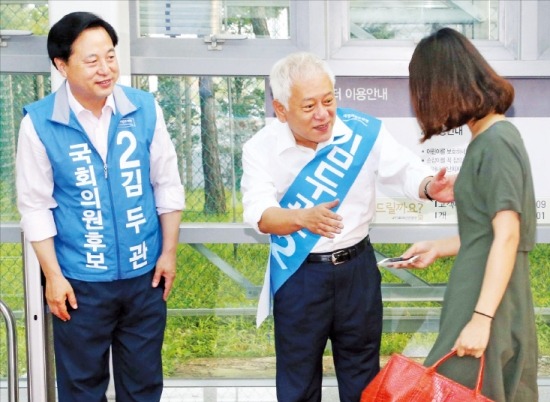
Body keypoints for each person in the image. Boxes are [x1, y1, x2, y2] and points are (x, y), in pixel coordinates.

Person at [240, 51, 455, 402]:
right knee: (297, 378)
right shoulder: (260, 148)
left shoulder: (362, 132)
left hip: (357, 271)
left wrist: (431, 186)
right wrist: (301, 218)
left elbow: (404, 170)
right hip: (300, 276)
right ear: (281, 110)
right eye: (309, 107)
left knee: (362, 374)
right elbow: (260, 213)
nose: (323, 114)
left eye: (329, 100)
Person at [15, 12, 185, 402]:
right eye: (91, 60)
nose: (106, 69)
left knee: (143, 387)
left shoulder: (144, 108)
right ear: (62, 65)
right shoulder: (39, 123)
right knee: (81, 389)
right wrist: (53, 277)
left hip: (145, 278)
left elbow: (167, 185)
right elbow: (36, 206)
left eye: (110, 56)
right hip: (80, 285)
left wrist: (169, 253)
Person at [397, 28, 538, 401]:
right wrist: (438, 247)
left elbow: (509, 236)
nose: (423, 104)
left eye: (425, 91)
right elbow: (489, 234)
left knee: (459, 389)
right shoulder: (488, 139)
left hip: (485, 299)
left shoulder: (497, 142)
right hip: (482, 294)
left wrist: (482, 319)